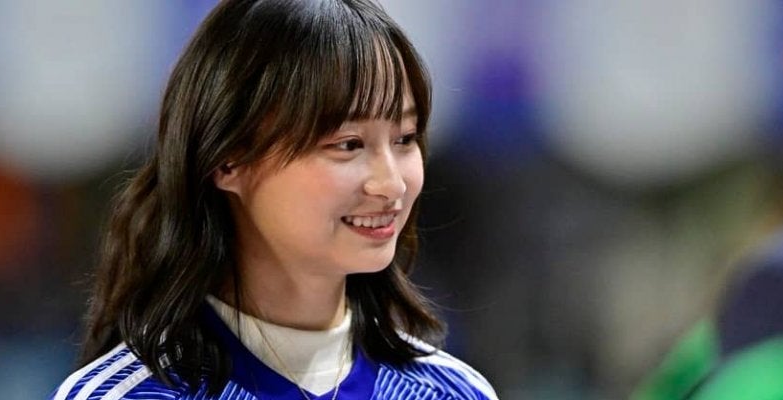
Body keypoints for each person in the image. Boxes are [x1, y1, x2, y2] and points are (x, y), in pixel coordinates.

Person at [51, 0, 498, 399]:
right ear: (228, 159)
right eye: (348, 144)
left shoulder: (454, 392)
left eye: (404, 139)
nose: (392, 184)